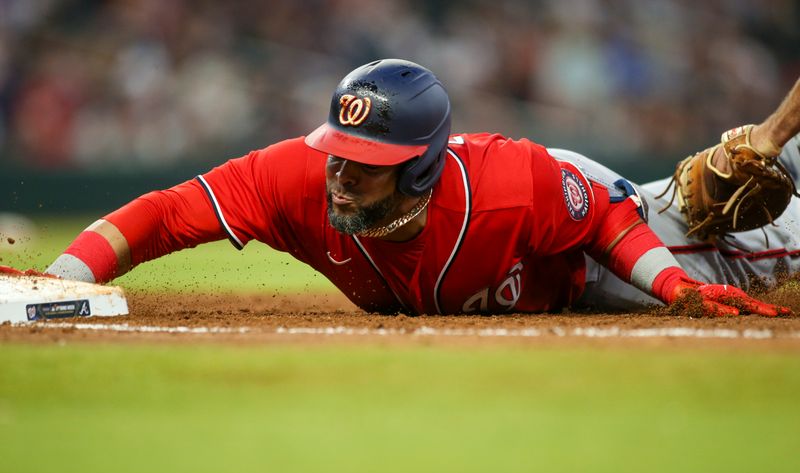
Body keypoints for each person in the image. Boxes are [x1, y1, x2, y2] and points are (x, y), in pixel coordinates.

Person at [42, 59, 800, 317]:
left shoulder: (502, 181)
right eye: (336, 149)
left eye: (363, 159)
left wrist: (672, 288)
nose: (338, 171)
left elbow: (604, 218)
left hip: (597, 239)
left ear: (420, 169)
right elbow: (162, 214)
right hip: (552, 242)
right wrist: (59, 283)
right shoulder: (297, 179)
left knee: (754, 245)